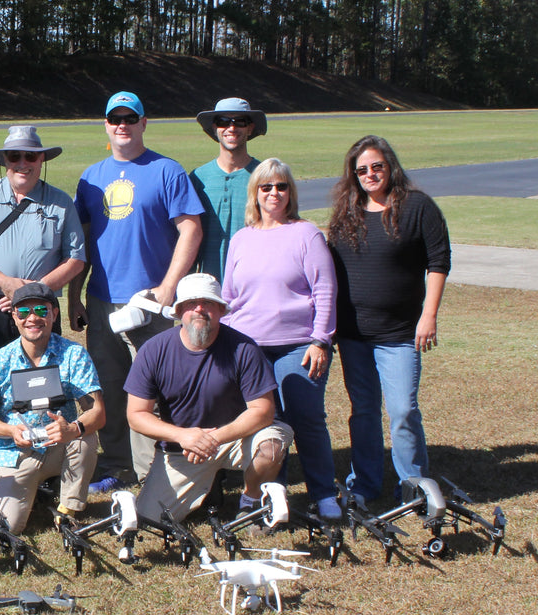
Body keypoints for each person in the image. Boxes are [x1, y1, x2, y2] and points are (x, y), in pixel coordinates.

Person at [69, 91, 204, 496]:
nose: (122, 125)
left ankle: (156, 470)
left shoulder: (167, 171)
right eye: (116, 118)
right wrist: (74, 296)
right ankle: (116, 464)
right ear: (106, 125)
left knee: (154, 390)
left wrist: (168, 288)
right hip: (102, 300)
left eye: (131, 118)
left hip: (151, 304)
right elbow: (83, 242)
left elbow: (191, 230)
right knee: (108, 387)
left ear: (144, 123)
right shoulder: (91, 177)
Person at [0, 125, 86, 500]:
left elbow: (76, 258)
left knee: (43, 388)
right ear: (4, 160)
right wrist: (6, 284)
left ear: (42, 159)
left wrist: (29, 295)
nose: (23, 163)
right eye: (15, 156)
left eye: (31, 156)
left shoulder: (60, 202)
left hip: (38, 312)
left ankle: (44, 468)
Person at [327, 135, 451, 505]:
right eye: (361, 169)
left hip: (400, 334)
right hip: (354, 335)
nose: (370, 174)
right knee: (364, 411)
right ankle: (364, 485)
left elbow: (438, 261)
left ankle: (412, 486)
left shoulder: (417, 207)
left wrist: (429, 315)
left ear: (390, 167)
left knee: (402, 410)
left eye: (377, 166)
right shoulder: (346, 213)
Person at [221, 159, 340, 520]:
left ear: (291, 192)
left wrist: (321, 341)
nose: (274, 193)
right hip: (248, 347)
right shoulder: (242, 238)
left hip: (299, 345)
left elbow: (325, 290)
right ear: (255, 194)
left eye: (281, 186)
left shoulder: (306, 234)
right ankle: (271, 495)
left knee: (305, 418)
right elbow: (228, 296)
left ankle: (323, 493)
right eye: (266, 187)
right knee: (266, 423)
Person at [124, 273, 293, 524]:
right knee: (151, 519)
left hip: (235, 438)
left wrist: (212, 439)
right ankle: (210, 486)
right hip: (183, 446)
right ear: (179, 311)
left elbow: (263, 410)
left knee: (270, 447)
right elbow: (136, 415)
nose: (199, 309)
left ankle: (252, 501)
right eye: (191, 303)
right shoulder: (153, 350)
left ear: (221, 310)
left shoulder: (244, 348)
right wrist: (183, 436)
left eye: (208, 303)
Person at [0, 283, 104, 535]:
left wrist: (72, 429)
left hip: (61, 445)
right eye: (23, 312)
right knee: (4, 528)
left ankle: (68, 509)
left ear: (54, 314)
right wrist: (11, 431)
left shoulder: (74, 355)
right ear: (14, 316)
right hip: (14, 453)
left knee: (84, 435)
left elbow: (97, 412)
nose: (32, 318)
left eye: (41, 310)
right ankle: (30, 491)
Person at [191, 97, 266, 280]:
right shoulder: (197, 178)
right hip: (208, 285)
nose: (231, 128)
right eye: (223, 121)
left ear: (250, 128)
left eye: (239, 122)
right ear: (215, 128)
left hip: (253, 283)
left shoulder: (265, 176)